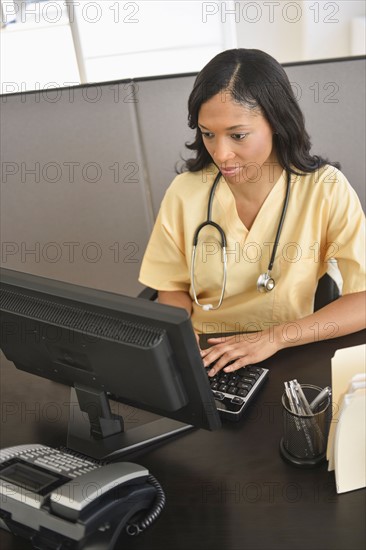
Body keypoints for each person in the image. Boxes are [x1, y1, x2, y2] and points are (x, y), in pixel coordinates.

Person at [139, 48, 365, 376]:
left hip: (287, 352)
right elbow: (171, 288)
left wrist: (274, 338)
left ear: (276, 122)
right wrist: (185, 345)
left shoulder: (325, 189)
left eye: (238, 135)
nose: (221, 153)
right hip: (208, 355)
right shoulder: (186, 192)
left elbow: (362, 299)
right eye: (207, 134)